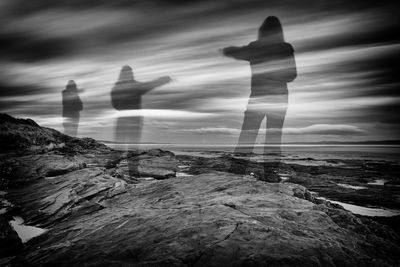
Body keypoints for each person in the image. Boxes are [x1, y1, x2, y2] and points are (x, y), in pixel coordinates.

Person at [222, 16, 297, 182]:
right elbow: (292, 74)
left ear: (262, 31)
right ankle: (270, 175)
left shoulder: (256, 48)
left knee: (248, 135)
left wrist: (228, 50)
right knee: (273, 137)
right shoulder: (284, 48)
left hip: (259, 97)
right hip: (278, 98)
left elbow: (236, 52)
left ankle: (237, 171)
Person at [111, 65, 171, 178]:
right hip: (133, 121)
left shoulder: (117, 87)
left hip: (123, 120)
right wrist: (161, 80)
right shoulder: (135, 86)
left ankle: (112, 171)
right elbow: (149, 86)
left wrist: (123, 105)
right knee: (132, 148)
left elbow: (115, 105)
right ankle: (133, 173)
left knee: (120, 147)